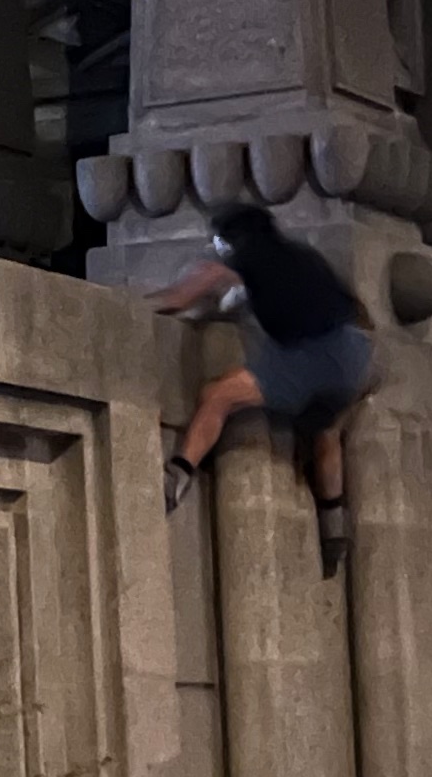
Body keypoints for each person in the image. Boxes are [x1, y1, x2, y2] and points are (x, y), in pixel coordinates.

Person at [151, 202, 374, 577]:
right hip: (354, 354)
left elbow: (181, 297)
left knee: (219, 395)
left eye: (221, 242)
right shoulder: (301, 256)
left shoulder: (247, 257)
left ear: (233, 240)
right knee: (324, 431)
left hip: (311, 354)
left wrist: (141, 304)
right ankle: (333, 526)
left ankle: (178, 473)